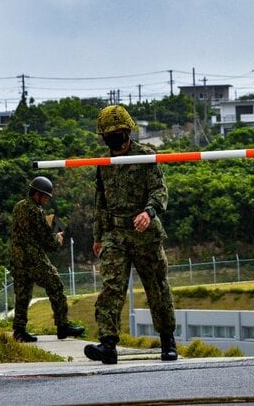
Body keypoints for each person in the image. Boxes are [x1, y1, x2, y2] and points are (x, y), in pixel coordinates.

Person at [84, 105, 177, 365]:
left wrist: (149, 213)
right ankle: (108, 345)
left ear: (127, 132)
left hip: (144, 232)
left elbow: (159, 191)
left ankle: (168, 341)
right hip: (115, 234)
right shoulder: (104, 164)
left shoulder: (146, 156)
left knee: (157, 287)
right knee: (111, 288)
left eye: (117, 133)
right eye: (108, 135)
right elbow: (100, 201)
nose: (113, 138)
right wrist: (98, 236)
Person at [10, 176, 84, 342]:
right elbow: (49, 243)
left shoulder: (19, 206)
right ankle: (63, 326)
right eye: (45, 197)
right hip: (34, 259)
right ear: (37, 194)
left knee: (22, 294)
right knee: (56, 285)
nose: (46, 201)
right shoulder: (36, 212)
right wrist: (57, 237)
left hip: (18, 258)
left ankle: (19, 330)